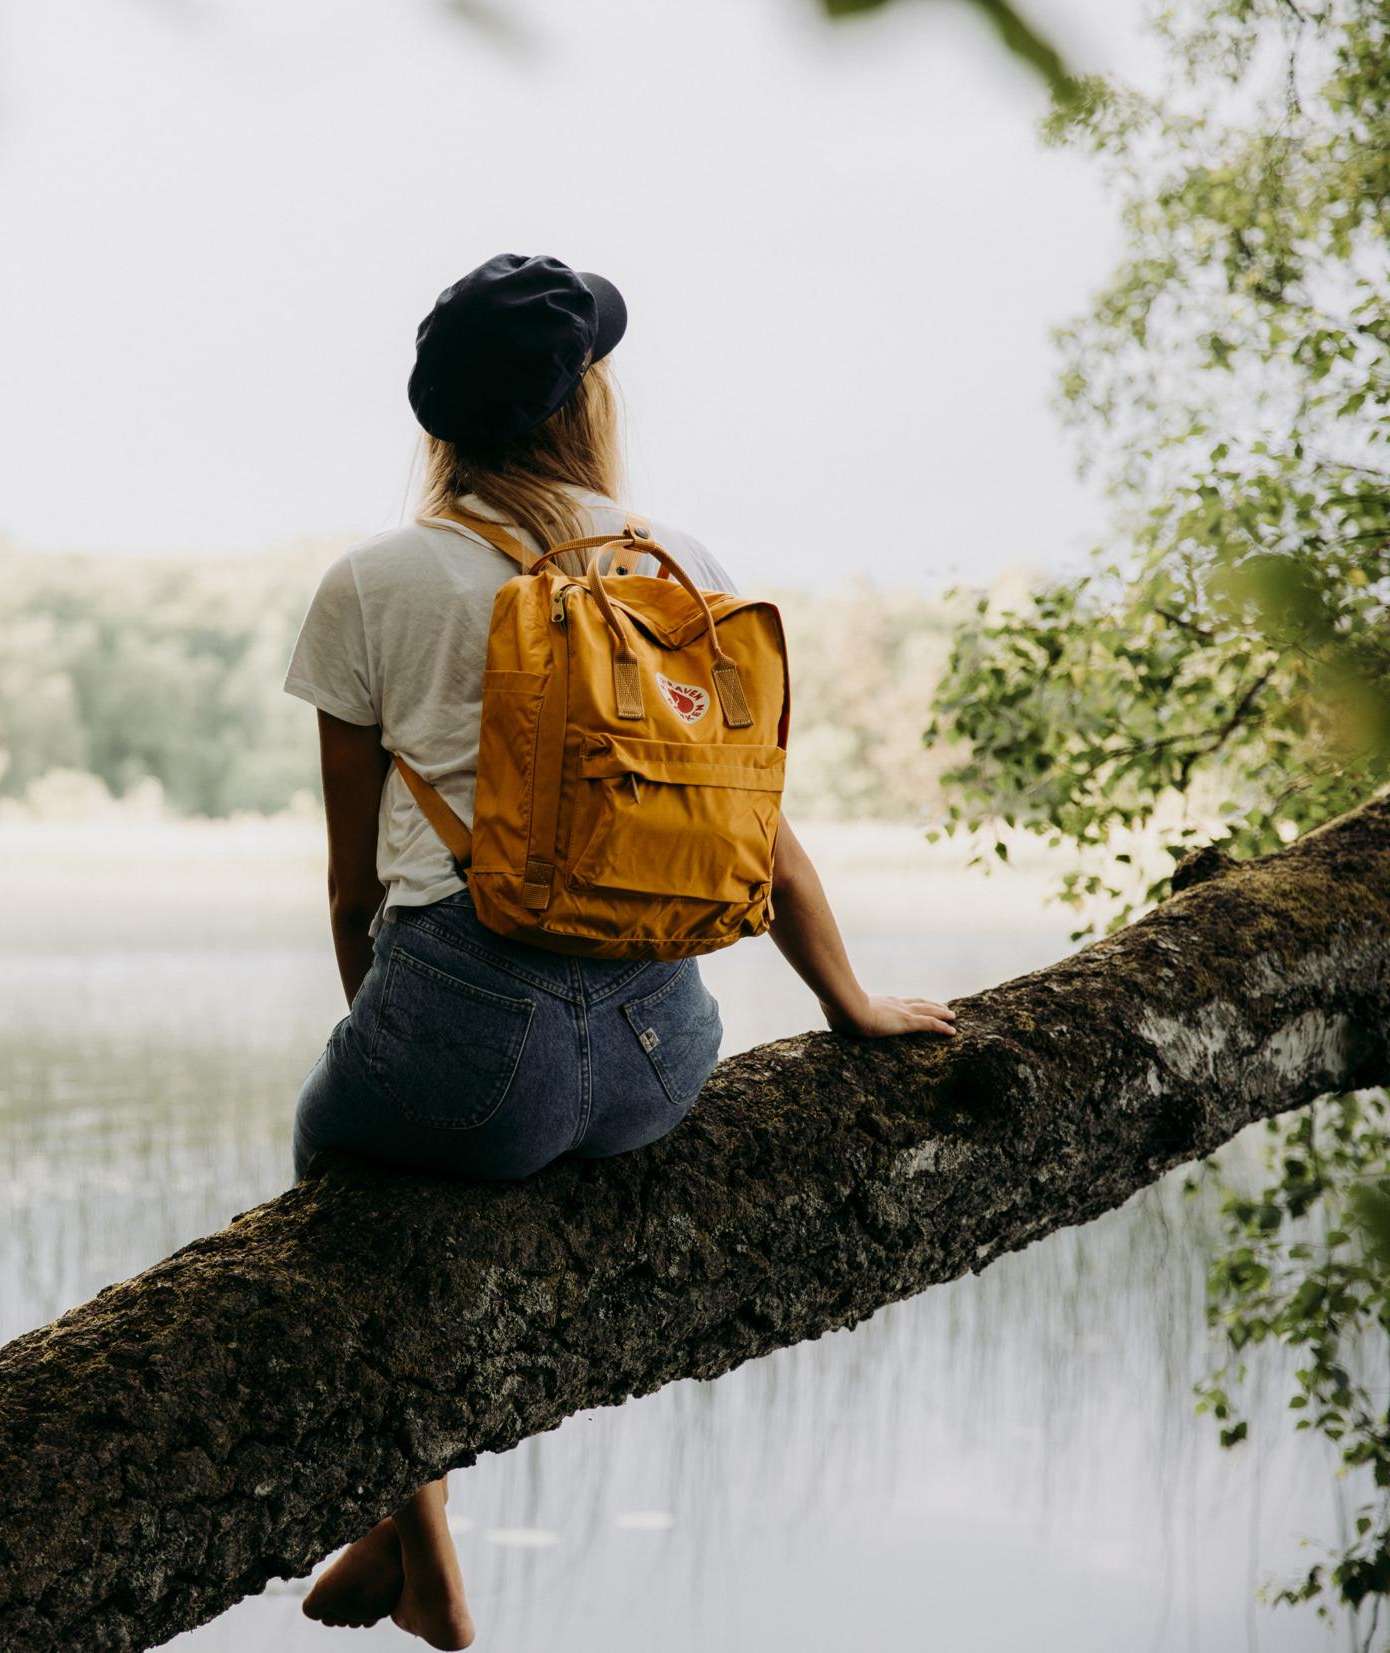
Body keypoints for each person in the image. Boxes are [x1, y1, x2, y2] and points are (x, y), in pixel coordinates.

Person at [281, 254, 957, 1650]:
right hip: (663, 1058)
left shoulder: (372, 582)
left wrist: (413, 1058)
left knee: (335, 1168)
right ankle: (385, 1540)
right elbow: (756, 836)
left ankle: (423, 1539)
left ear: (443, 421)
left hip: (470, 1045)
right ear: (581, 402)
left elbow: (354, 890)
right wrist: (850, 1003)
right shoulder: (676, 563)